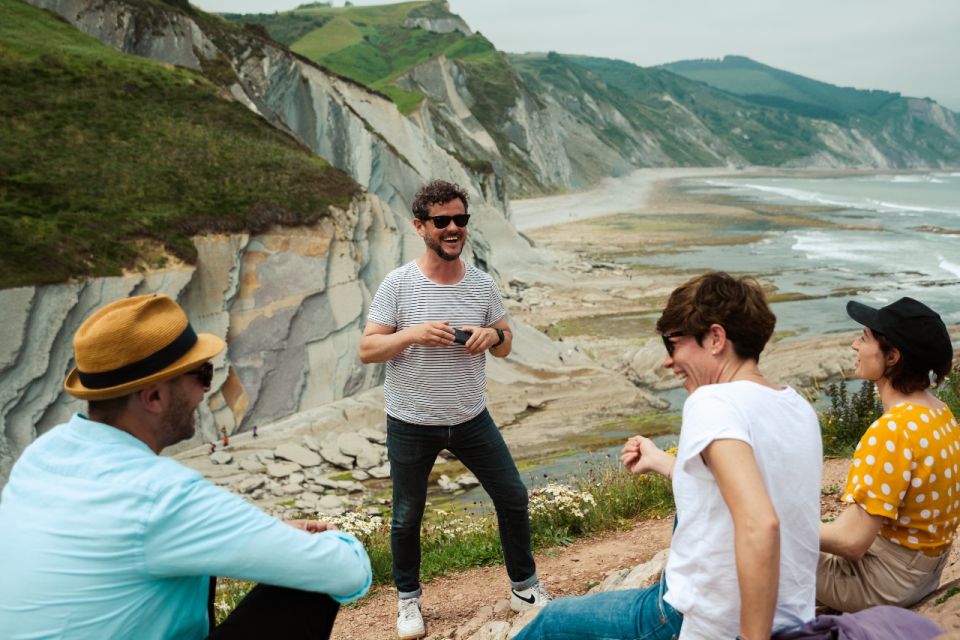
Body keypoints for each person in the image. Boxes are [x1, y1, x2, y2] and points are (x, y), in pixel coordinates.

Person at [0, 294, 372, 639]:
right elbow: (346, 570)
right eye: (202, 375)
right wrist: (326, 540)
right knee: (309, 583)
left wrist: (265, 532)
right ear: (155, 396)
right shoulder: (160, 494)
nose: (206, 390)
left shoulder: (41, 453)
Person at [515, 272, 823, 640]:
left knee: (554, 622)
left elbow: (760, 523)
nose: (667, 361)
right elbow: (736, 486)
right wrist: (659, 460)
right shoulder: (796, 406)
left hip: (699, 620)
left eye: (672, 343)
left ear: (715, 338)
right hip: (793, 617)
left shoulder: (711, 402)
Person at [359, 180, 549, 639]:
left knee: (513, 495)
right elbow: (368, 349)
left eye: (460, 220)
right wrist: (412, 335)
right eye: (441, 221)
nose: (452, 228)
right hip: (410, 421)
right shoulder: (398, 284)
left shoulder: (482, 284)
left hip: (470, 419)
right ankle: (408, 603)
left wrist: (492, 337)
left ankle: (524, 587)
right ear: (419, 226)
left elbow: (505, 343)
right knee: (407, 516)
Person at [818, 297, 958, 611]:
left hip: (881, 584)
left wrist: (779, 525)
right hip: (921, 576)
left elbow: (851, 542)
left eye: (865, 338)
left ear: (892, 356)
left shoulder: (892, 431)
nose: (855, 345)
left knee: (764, 546)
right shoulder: (940, 414)